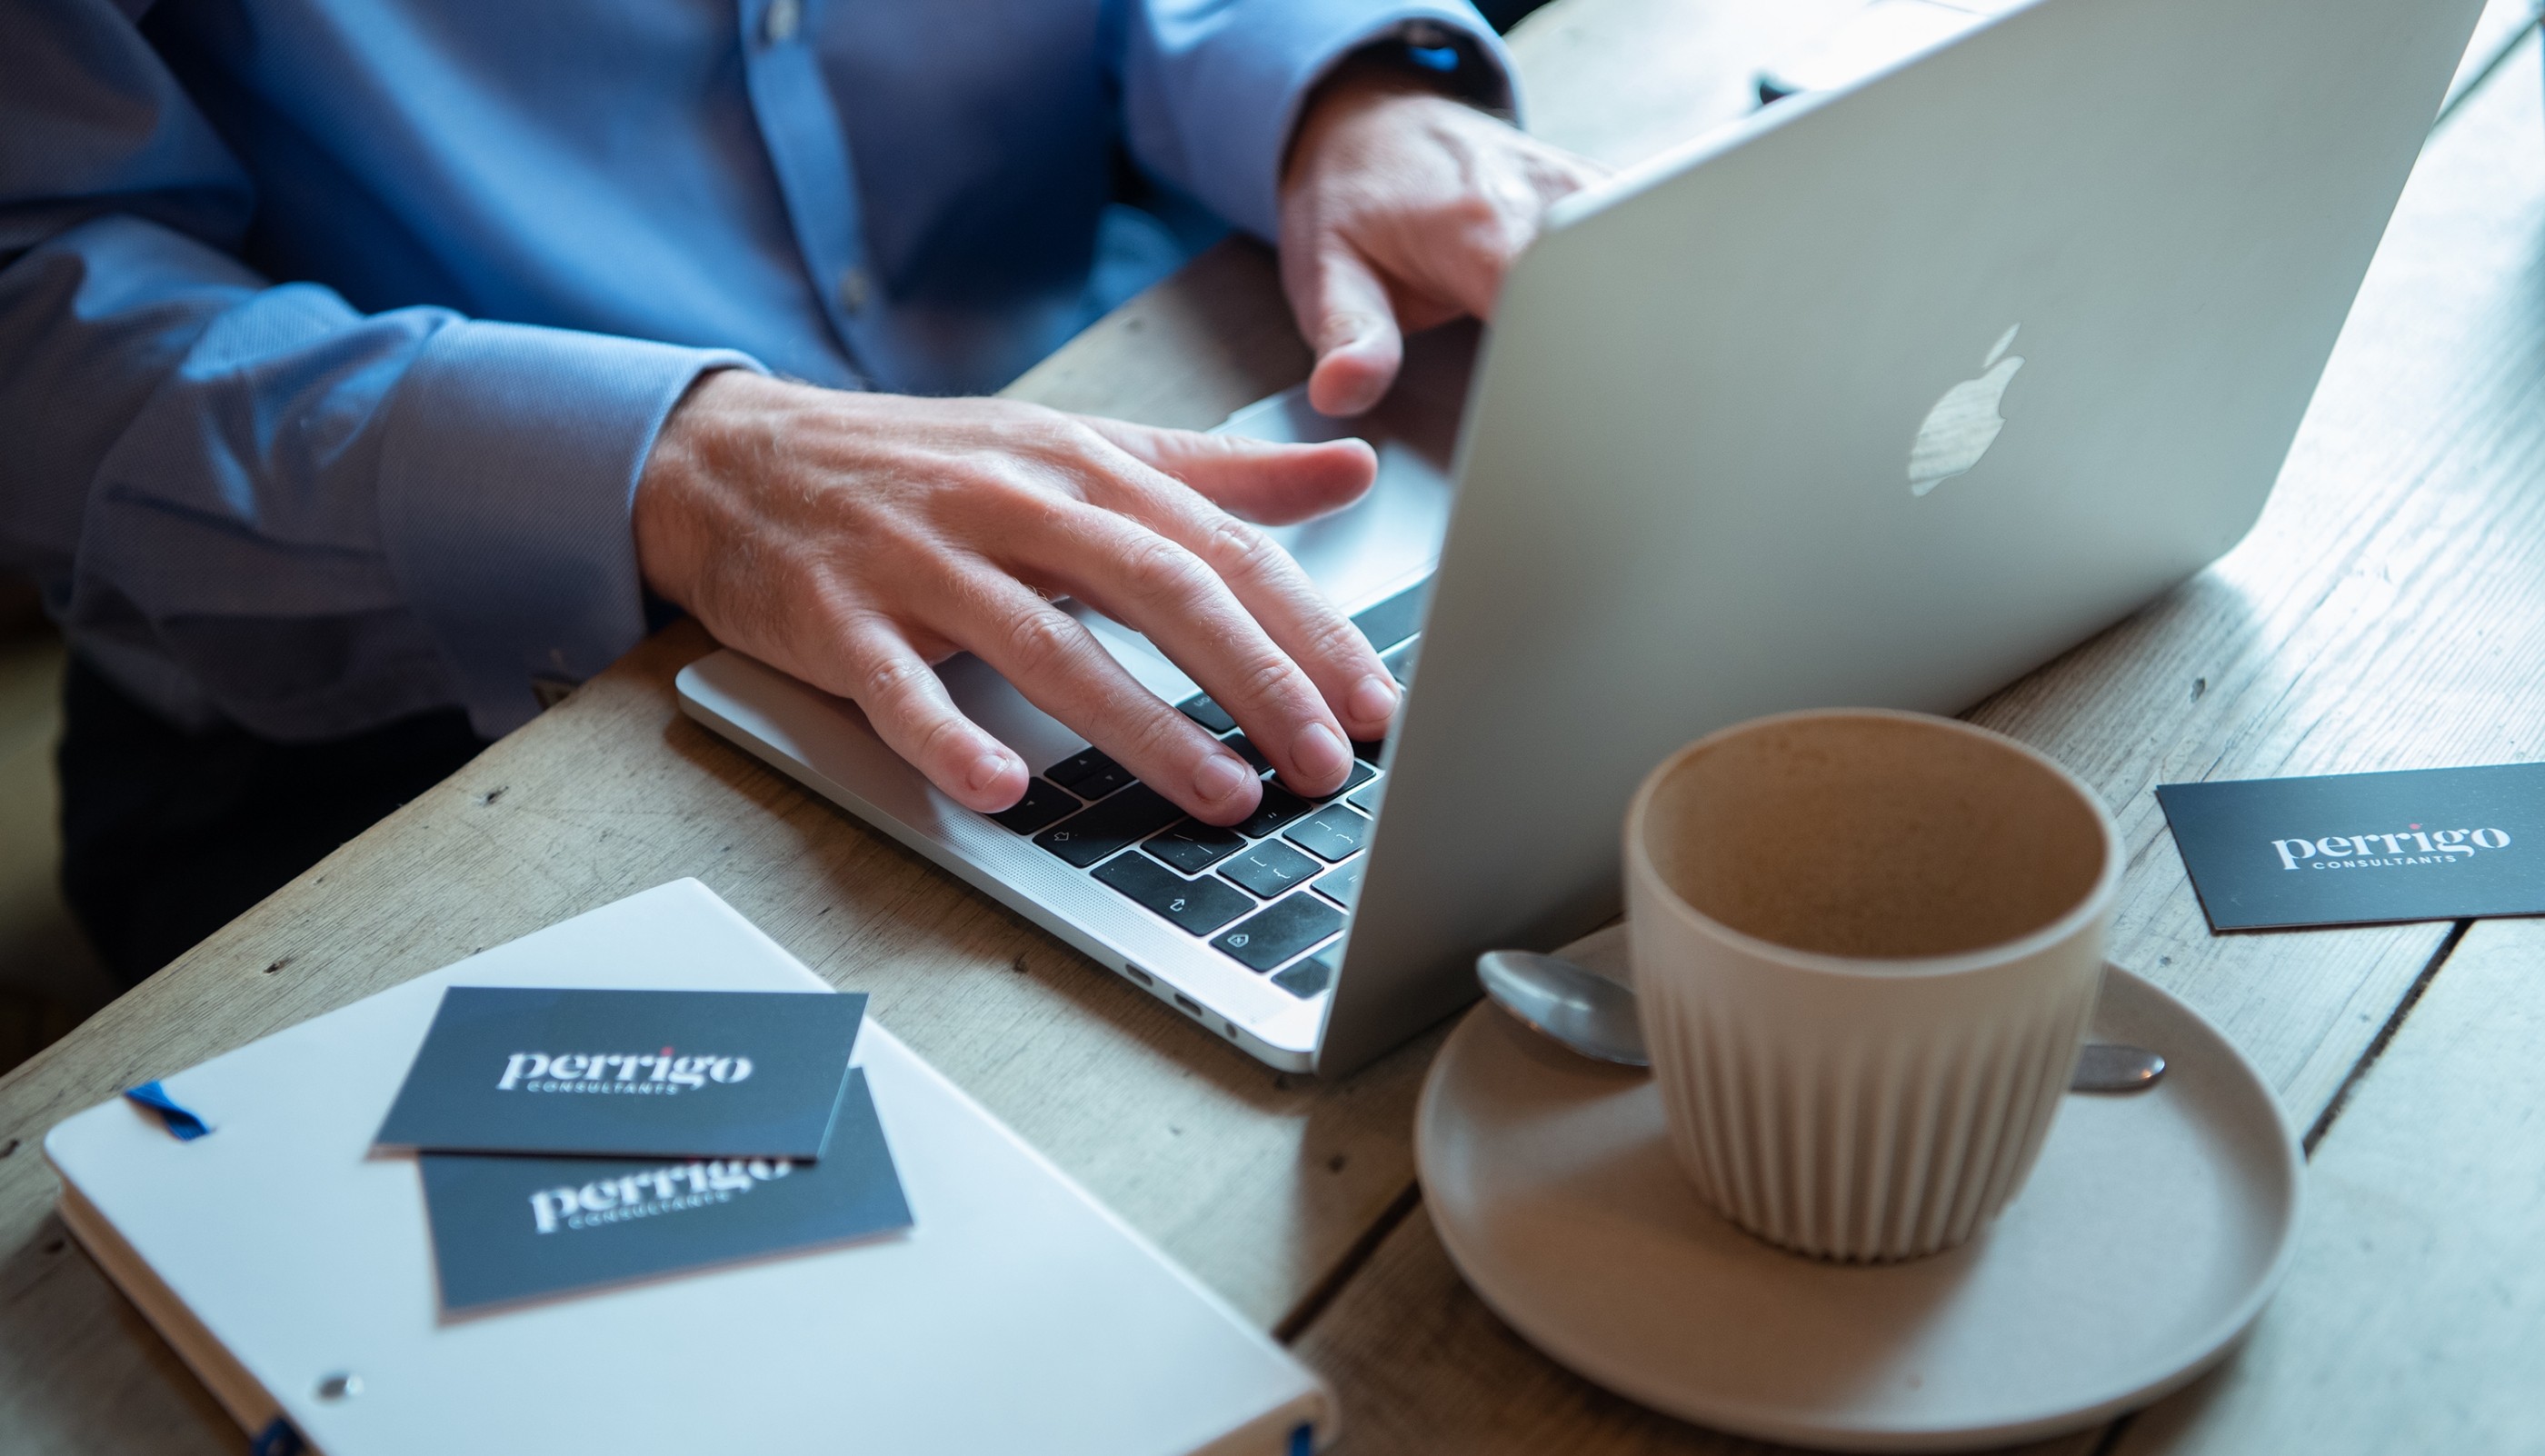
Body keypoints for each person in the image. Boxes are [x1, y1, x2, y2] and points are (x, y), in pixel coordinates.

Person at [0, 0, 1605, 982]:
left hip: (1084, 402)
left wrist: (1338, 87)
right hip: (378, 698)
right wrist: (678, 465)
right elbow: (33, 298)